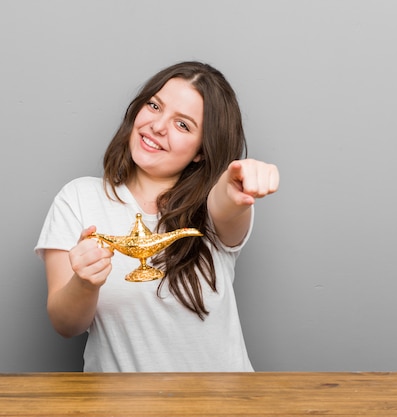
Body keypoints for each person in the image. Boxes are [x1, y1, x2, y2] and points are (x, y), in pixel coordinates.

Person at [35, 61, 279, 372]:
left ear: (201, 151)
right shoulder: (79, 199)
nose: (158, 126)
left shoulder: (213, 205)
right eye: (154, 106)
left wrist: (236, 186)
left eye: (183, 125)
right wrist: (84, 282)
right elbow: (65, 324)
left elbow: (226, 203)